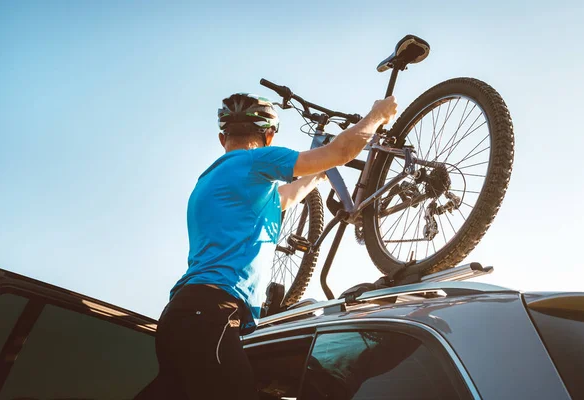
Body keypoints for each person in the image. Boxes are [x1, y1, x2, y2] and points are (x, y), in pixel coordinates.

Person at [134, 92, 398, 399]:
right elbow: (341, 150)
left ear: (223, 138)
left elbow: (284, 198)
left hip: (183, 316)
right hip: (210, 316)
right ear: (269, 136)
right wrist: (378, 115)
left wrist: (315, 176)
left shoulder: (214, 180)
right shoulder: (255, 160)